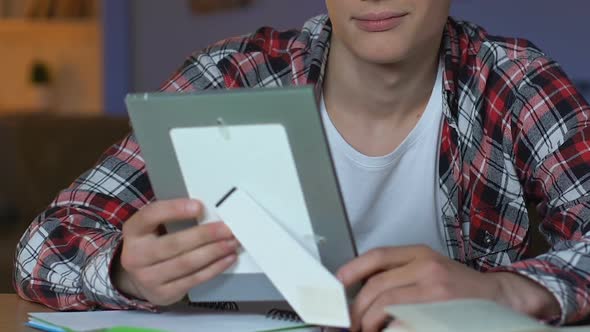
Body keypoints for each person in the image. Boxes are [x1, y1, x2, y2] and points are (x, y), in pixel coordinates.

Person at [13, 1, 590, 331]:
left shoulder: (516, 83)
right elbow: (42, 247)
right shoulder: (229, 76)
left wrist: (507, 292)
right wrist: (126, 272)